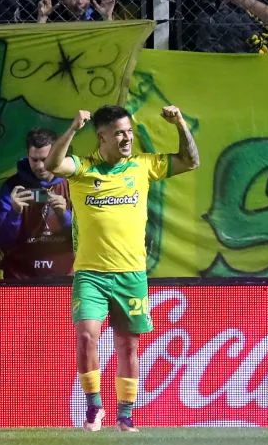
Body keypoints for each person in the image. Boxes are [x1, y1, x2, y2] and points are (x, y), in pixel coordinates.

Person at [46, 103, 200, 432]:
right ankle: (93, 407)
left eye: (129, 131)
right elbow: (52, 163)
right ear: (101, 138)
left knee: (128, 345)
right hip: (90, 274)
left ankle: (126, 415)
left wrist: (181, 123)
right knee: (87, 337)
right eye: (119, 133)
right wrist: (73, 128)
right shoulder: (83, 169)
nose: (127, 137)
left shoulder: (143, 166)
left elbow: (191, 161)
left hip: (131, 275)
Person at [0, 127, 73, 281]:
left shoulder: (72, 185)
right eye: (34, 160)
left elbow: (85, 239)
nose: (39, 166)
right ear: (27, 156)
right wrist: (14, 213)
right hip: (20, 279)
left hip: (64, 279)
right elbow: (3, 242)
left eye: (44, 159)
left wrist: (64, 216)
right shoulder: (12, 188)